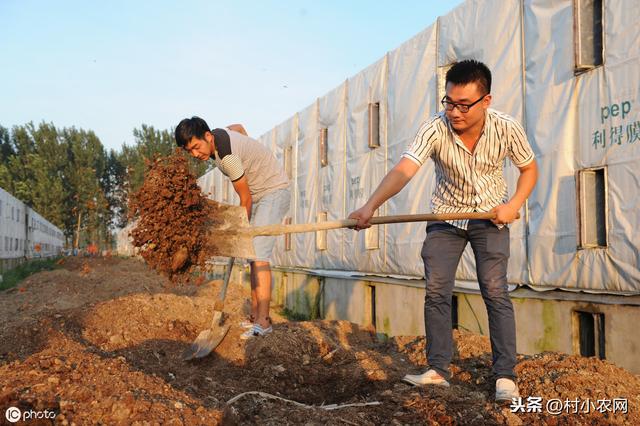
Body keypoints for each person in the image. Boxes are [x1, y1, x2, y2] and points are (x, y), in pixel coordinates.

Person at [348, 60, 537, 402]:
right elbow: (404, 169)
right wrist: (370, 206)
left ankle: (505, 375)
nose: (454, 111)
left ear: (486, 101)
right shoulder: (434, 129)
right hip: (445, 218)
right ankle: (437, 369)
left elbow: (529, 169)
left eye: (464, 104)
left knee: (494, 289)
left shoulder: (507, 128)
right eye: (449, 102)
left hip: (490, 216)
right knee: (436, 289)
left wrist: (514, 204)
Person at [175, 117, 291, 339]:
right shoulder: (219, 134)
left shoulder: (228, 158)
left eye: (197, 147)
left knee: (258, 254)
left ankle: (264, 323)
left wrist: (238, 229)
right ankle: (255, 318)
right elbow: (238, 127)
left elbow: (245, 200)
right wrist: (252, 154)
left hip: (274, 192)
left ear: (207, 136)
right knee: (252, 255)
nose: (195, 155)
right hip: (262, 194)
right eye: (190, 151)